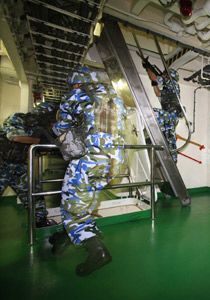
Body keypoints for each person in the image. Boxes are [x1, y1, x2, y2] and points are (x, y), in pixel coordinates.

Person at [51, 66, 127, 276]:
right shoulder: (115, 98)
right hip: (113, 162)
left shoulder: (75, 95)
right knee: (84, 203)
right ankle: (66, 237)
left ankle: (97, 251)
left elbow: (61, 128)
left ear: (78, 82)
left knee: (73, 210)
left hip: (89, 160)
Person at [0, 102, 57, 228]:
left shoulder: (40, 129)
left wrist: (45, 149)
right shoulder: (17, 118)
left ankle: (40, 220)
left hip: (20, 167)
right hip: (2, 165)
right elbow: (15, 137)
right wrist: (39, 142)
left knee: (35, 194)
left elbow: (36, 151)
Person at [142, 61, 182, 163]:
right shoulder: (169, 87)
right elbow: (158, 93)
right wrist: (154, 84)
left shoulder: (172, 83)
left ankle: (146, 133)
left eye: (165, 74)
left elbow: (155, 78)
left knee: (152, 112)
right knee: (170, 138)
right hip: (170, 117)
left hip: (170, 115)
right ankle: (173, 160)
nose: (163, 75)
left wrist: (148, 68)